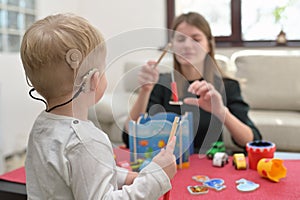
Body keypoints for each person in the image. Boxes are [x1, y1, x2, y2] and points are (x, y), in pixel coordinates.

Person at [21, 13, 177, 199]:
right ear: (93, 80)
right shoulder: (86, 141)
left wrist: (124, 176)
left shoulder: (42, 126)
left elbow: (80, 173)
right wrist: (156, 177)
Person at [122, 12, 261, 154]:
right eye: (181, 39)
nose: (187, 45)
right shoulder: (160, 83)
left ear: (209, 44)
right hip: (168, 166)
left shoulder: (227, 86)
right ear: (172, 45)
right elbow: (129, 138)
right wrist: (145, 91)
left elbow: (253, 141)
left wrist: (221, 112)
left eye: (196, 39)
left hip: (209, 166)